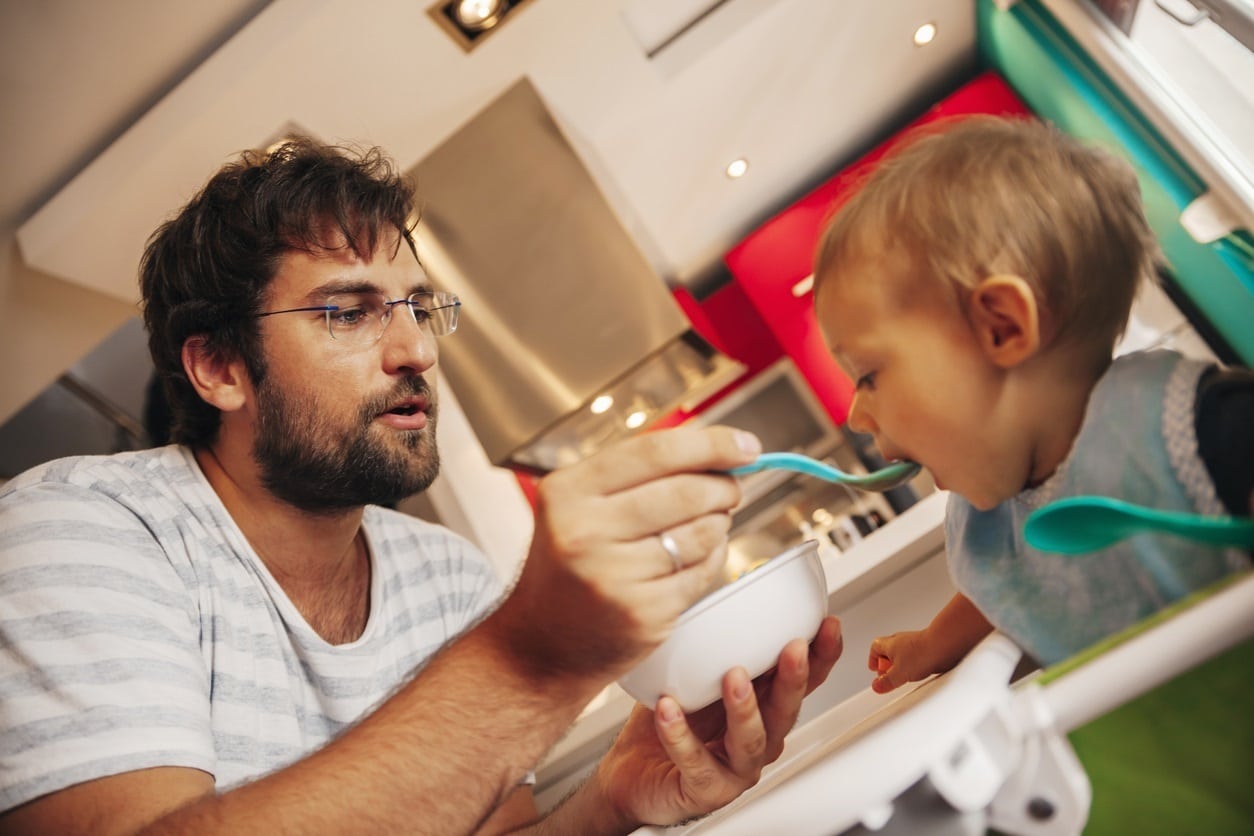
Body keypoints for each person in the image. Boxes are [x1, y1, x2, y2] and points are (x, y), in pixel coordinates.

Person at [0, 137, 843, 835]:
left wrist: (611, 803)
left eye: (418, 307)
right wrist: (531, 658)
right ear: (220, 367)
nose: (418, 352)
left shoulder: (448, 580)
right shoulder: (79, 530)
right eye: (348, 311)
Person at [810, 114, 1253, 830]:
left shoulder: (1192, 429)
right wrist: (931, 645)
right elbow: (1019, 579)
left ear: (1002, 328)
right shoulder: (996, 511)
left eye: (868, 374)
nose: (859, 416)